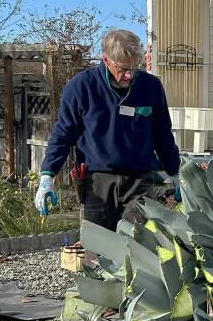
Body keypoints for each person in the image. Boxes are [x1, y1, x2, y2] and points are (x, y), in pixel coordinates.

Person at [34, 29, 181, 231]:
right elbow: (63, 133)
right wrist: (47, 175)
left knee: (140, 245)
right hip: (97, 180)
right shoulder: (81, 87)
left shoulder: (151, 87)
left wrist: (175, 172)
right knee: (99, 250)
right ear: (106, 60)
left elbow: (162, 133)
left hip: (139, 180)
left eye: (134, 69)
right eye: (123, 69)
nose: (129, 75)